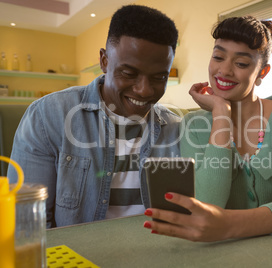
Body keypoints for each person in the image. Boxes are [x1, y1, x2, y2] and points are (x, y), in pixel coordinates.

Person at [143, 16, 272, 241]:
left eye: (241, 63)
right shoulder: (194, 125)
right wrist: (221, 113)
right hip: (227, 251)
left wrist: (230, 224)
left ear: (262, 72)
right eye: (218, 57)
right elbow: (207, 204)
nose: (224, 70)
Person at [8, 5, 180, 228]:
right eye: (129, 73)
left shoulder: (175, 127)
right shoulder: (48, 116)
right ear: (104, 61)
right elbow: (27, 224)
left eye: (159, 77)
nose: (144, 90)